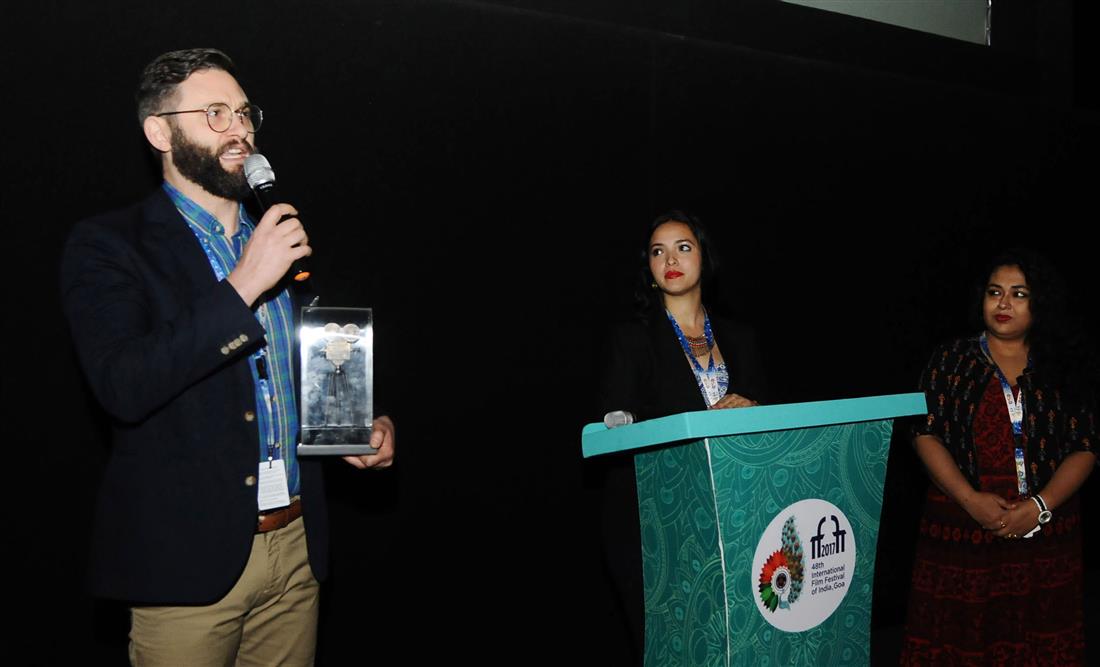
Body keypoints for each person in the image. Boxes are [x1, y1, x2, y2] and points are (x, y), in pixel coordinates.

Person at [59, 48, 395, 665]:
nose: (239, 128)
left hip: (295, 548)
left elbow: (301, 367)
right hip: (188, 567)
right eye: (215, 113)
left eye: (244, 112)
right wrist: (243, 284)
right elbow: (123, 385)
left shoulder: (278, 238)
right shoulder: (109, 246)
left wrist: (351, 424)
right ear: (160, 132)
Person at [900, 250, 1096, 665]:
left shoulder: (1063, 362)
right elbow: (923, 432)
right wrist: (971, 500)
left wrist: (1040, 507)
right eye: (995, 292)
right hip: (961, 531)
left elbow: (1086, 445)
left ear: (1040, 301)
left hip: (1046, 534)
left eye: (1019, 294)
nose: (1003, 303)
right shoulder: (951, 359)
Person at [597, 211, 767, 662]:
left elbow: (770, 428)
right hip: (655, 523)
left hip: (733, 516)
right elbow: (614, 423)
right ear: (649, 270)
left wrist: (753, 409)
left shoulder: (741, 337)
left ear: (704, 259)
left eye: (683, 247)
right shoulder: (631, 340)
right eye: (658, 251)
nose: (670, 258)